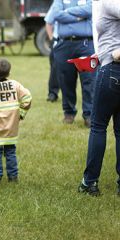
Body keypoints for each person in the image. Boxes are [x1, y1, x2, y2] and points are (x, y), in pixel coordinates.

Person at [78, 1, 120, 196]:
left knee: (97, 127)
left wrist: (115, 54)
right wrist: (102, 53)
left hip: (112, 70)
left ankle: (90, 182)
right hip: (109, 64)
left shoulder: (109, 1)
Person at [47, 0, 95, 127]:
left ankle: (89, 115)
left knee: (89, 81)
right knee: (65, 80)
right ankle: (68, 113)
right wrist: (80, 17)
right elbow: (56, 14)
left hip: (86, 44)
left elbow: (90, 9)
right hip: (64, 45)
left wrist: (67, 12)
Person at [45, 4, 60, 103]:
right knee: (55, 69)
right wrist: (51, 40)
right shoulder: (57, 4)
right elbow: (48, 22)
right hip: (59, 41)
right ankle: (53, 93)